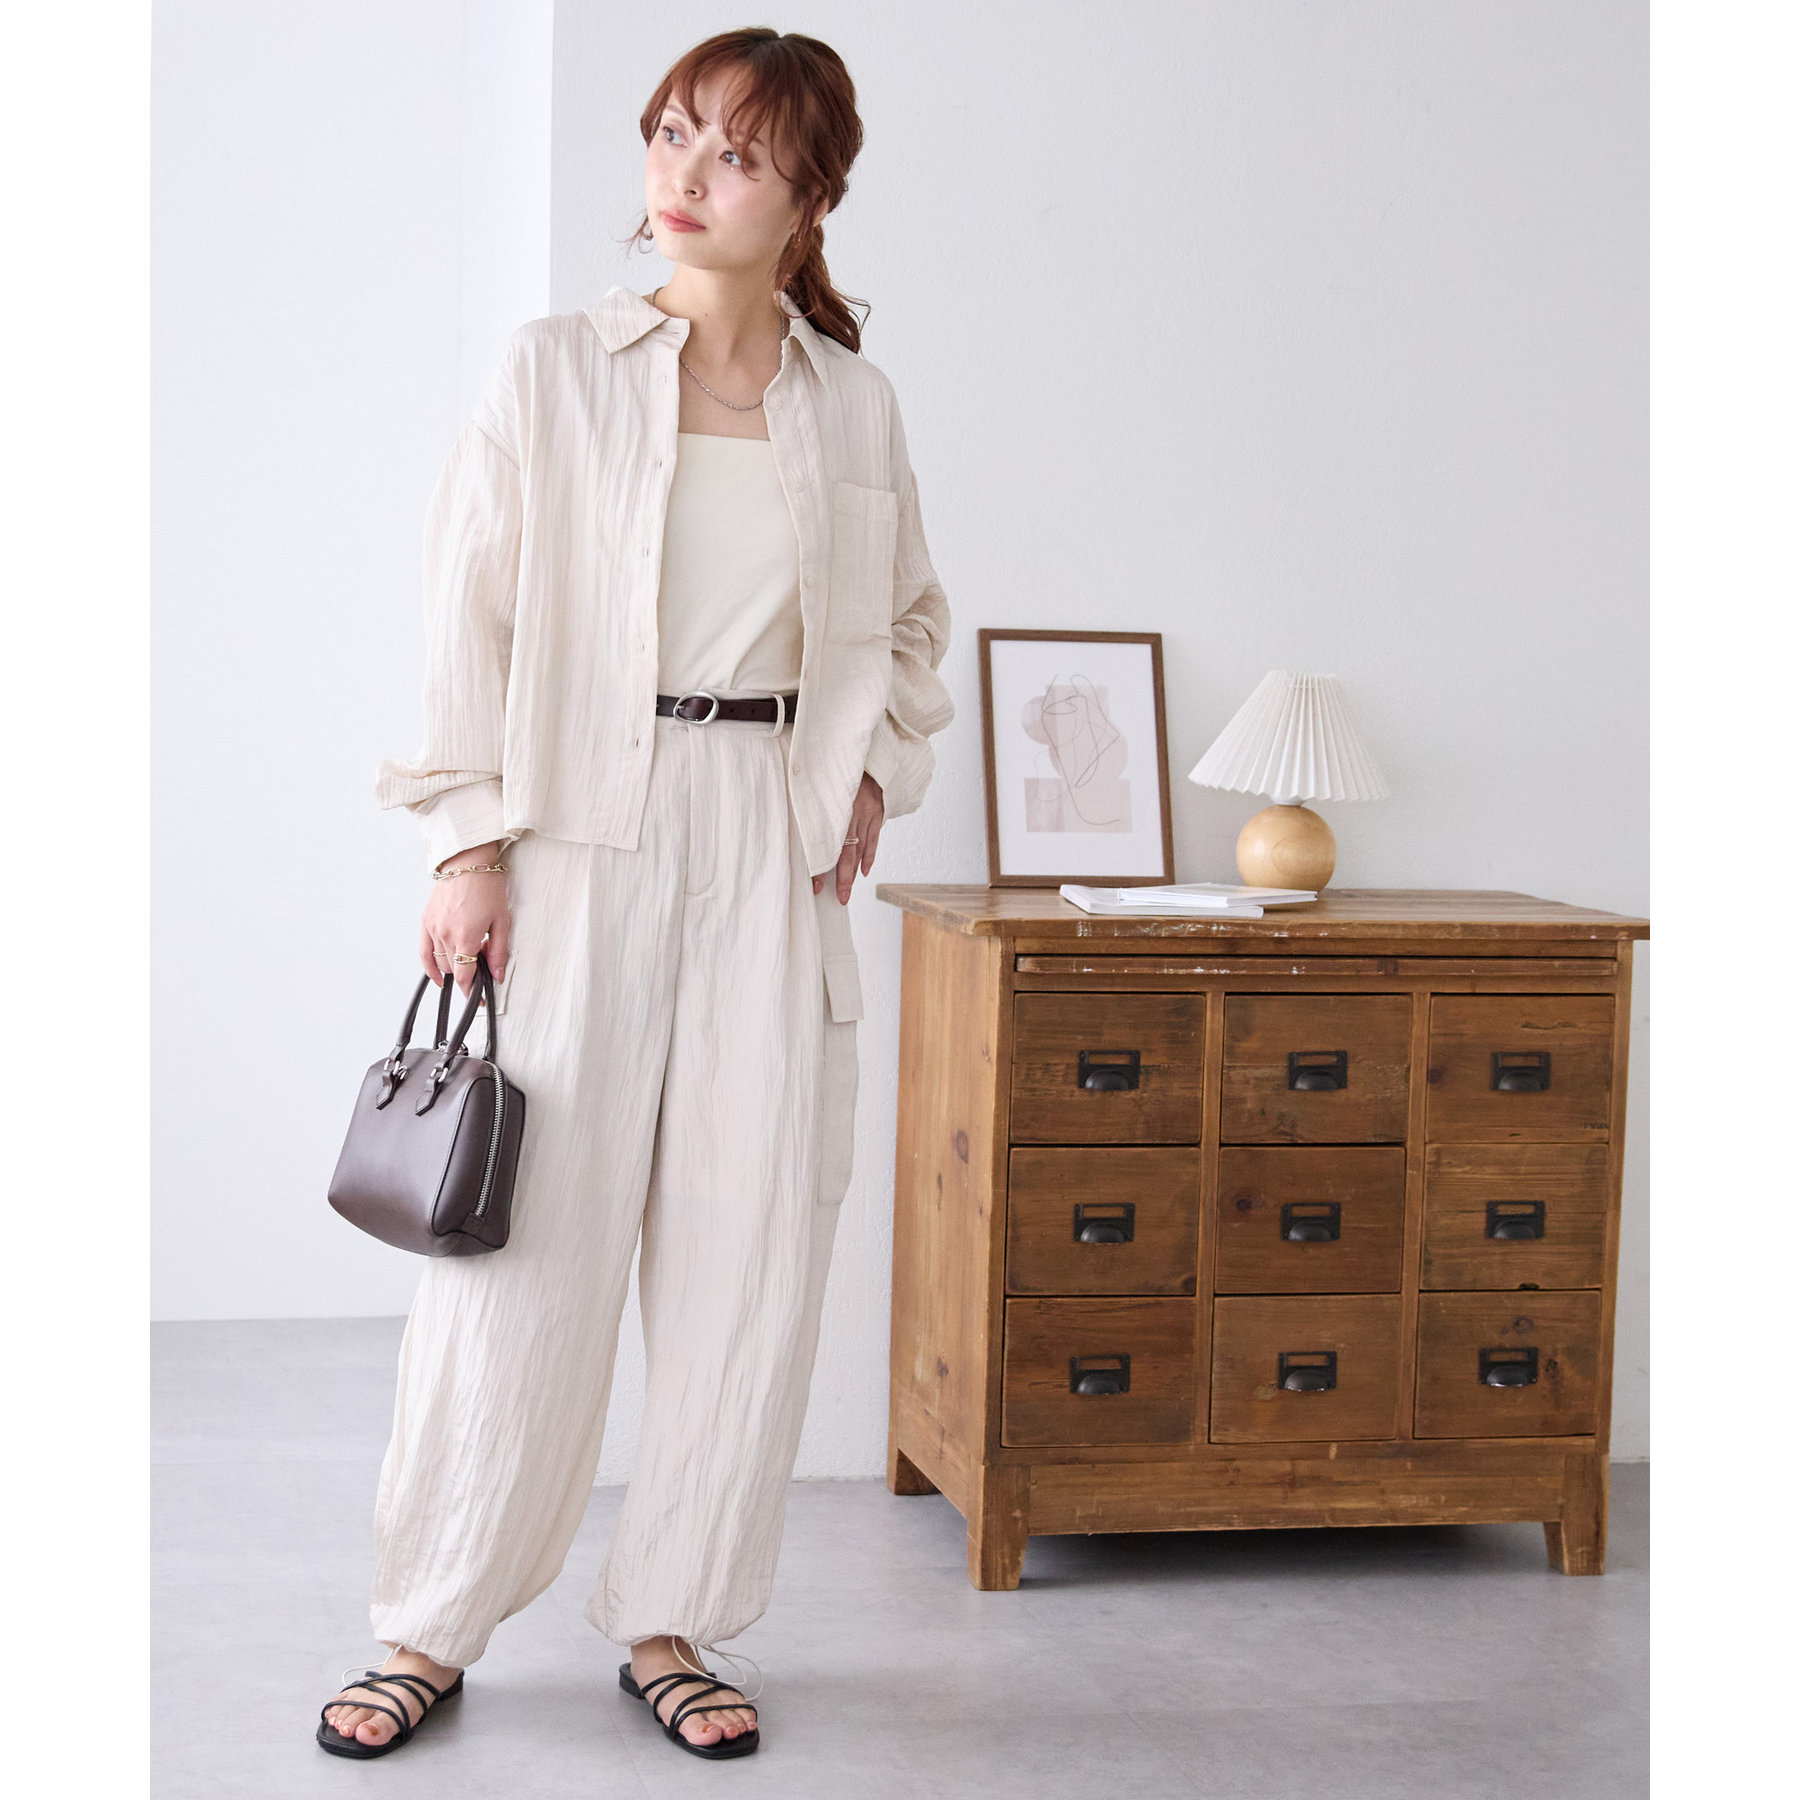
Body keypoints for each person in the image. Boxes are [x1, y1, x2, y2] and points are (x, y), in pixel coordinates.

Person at [315, 26, 954, 1763]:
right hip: (584, 825)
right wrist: (466, 840)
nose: (683, 177)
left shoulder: (854, 404)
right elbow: (470, 614)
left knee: (749, 1252)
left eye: (733, 154)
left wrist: (871, 769)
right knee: (522, 1252)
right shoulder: (556, 374)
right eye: (671, 135)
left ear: (810, 194)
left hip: (768, 837)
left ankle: (674, 1618)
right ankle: (429, 1622)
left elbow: (909, 617)